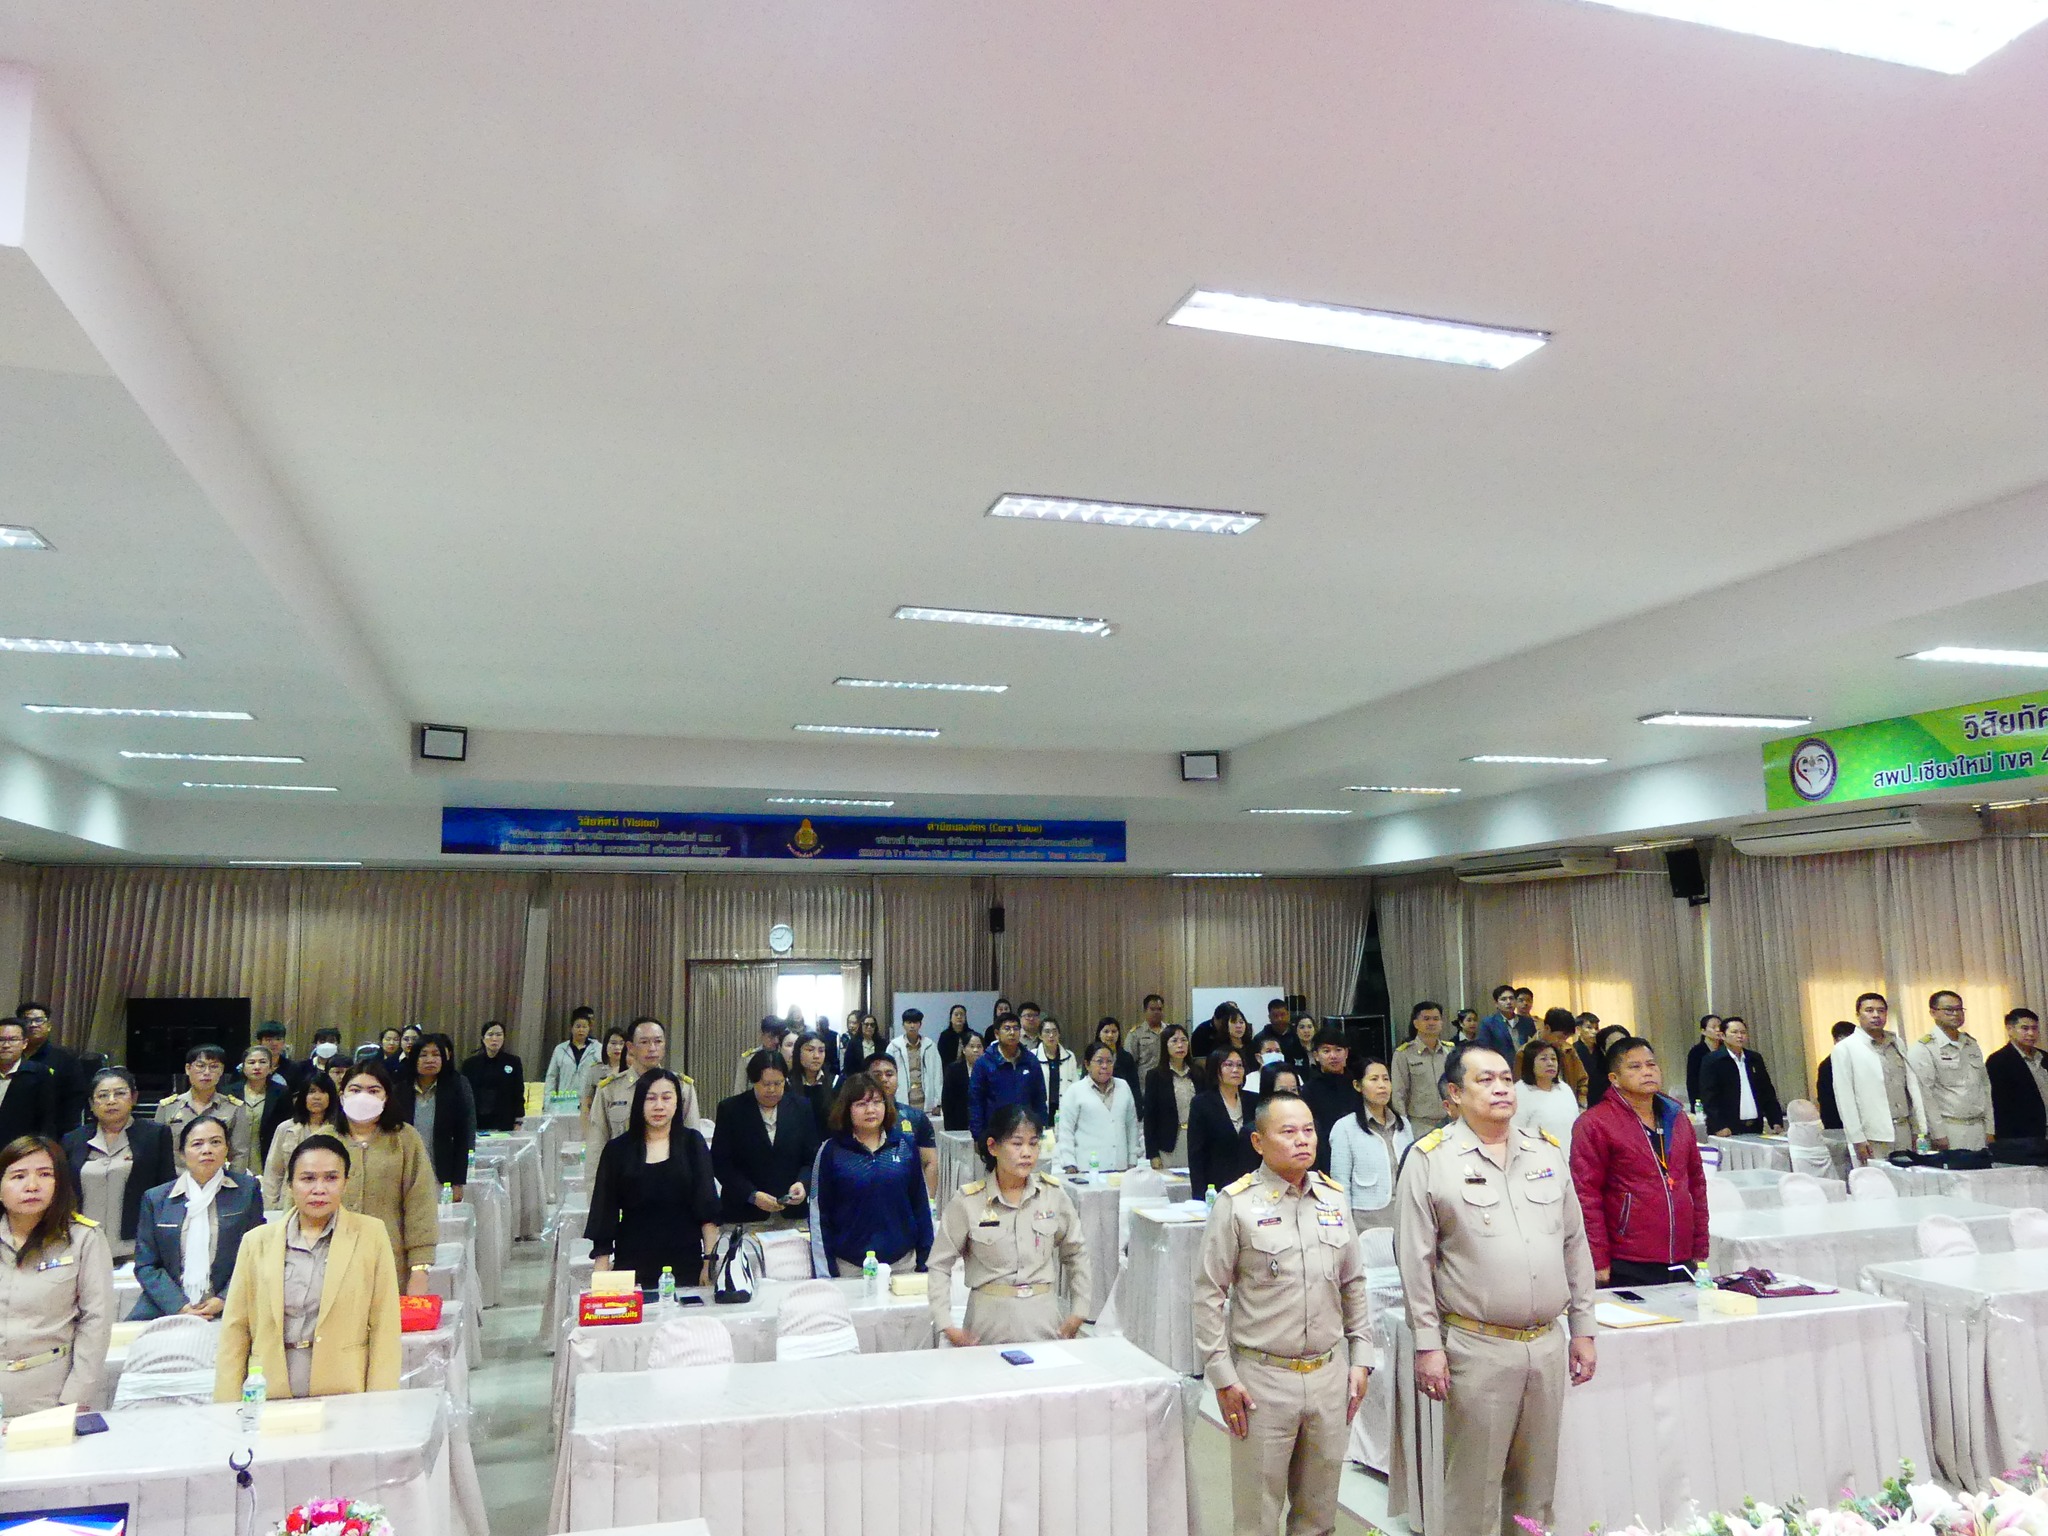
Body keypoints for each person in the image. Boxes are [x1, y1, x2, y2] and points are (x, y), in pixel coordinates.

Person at [1396, 1047, 1598, 1536]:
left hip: (1545, 1344)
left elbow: (1574, 1243)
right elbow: (1415, 1262)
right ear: (1454, 1094)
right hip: (1477, 1346)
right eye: (1485, 1080)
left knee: (1536, 1491)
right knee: (1473, 1489)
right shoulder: (1430, 1159)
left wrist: (1584, 1327)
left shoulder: (1545, 1151)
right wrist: (1427, 1345)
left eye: (1506, 1078)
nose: (1501, 1088)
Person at [1194, 1092, 1371, 1536]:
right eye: (1288, 1131)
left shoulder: (1333, 1198)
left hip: (1328, 1375)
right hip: (1263, 1381)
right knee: (1257, 1517)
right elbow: (1208, 1294)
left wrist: (1362, 1357)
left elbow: (1353, 1282)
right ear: (1258, 1142)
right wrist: (1222, 1376)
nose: (1302, 1140)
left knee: (1319, 1516)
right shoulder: (1236, 1204)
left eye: (1308, 1130)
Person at [213, 1135, 402, 1401]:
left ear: (346, 1182)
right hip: (269, 1392)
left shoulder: (371, 1235)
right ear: (290, 1184)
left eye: (331, 1178)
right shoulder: (256, 1242)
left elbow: (385, 1326)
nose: (319, 1189)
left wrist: (380, 1403)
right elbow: (235, 1330)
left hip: (345, 1393)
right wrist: (226, 1406)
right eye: (308, 1178)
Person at [927, 1105, 1087, 1346]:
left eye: (1033, 1143)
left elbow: (1076, 1252)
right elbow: (939, 1264)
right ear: (993, 1147)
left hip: (1043, 1320)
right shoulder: (969, 1201)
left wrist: (1079, 1311)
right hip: (987, 1324)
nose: (1027, 1153)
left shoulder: (1052, 1195)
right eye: (1017, 1143)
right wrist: (946, 1324)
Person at [1570, 1037, 1708, 1286]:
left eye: (1651, 1064)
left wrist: (1700, 1246)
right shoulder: (1595, 1123)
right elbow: (1586, 1196)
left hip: (1682, 1254)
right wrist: (1598, 1259)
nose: (1647, 1072)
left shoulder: (1677, 1118)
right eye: (1635, 1067)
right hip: (1628, 1259)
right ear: (1614, 1078)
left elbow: (1697, 1184)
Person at [0, 1134, 114, 1419]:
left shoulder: (83, 1239)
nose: (32, 1186)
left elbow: (96, 1322)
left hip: (50, 1394)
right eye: (18, 1176)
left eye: (45, 1174)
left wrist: (74, 1400)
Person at [586, 1069, 720, 1290]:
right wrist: (600, 1271)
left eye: (666, 1098)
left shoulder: (692, 1144)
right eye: (650, 1098)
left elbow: (707, 1208)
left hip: (686, 1259)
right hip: (633, 1260)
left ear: (677, 1103)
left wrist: (709, 1261)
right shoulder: (617, 1150)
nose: (659, 1106)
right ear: (639, 1103)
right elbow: (604, 1214)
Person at [129, 1116, 265, 1321]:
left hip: (233, 1303)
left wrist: (223, 1299)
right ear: (182, 1154)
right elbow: (146, 1265)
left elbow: (258, 1254)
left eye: (216, 1142)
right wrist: (179, 1306)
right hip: (167, 1306)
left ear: (227, 1149)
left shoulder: (247, 1191)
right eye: (197, 1144)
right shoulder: (156, 1199)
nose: (207, 1150)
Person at [809, 1071, 933, 1277]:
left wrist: (925, 1260)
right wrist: (826, 1273)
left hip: (903, 1263)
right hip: (850, 1266)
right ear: (847, 1108)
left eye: (877, 1102)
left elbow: (921, 1205)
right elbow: (819, 1215)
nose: (871, 1110)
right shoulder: (831, 1152)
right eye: (861, 1104)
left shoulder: (905, 1145)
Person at [334, 1061, 438, 1296]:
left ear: (386, 1097)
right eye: (355, 1090)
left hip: (390, 1259)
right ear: (341, 1096)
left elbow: (421, 1204)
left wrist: (420, 1268)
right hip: (330, 1260)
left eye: (373, 1091)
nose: (363, 1097)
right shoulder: (324, 1140)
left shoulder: (405, 1139)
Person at [62, 1068, 176, 1262]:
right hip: (81, 1247)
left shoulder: (155, 1135)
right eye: (102, 1096)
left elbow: (167, 1190)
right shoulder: (73, 1140)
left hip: (135, 1247)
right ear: (91, 1104)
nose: (111, 1101)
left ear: (134, 1097)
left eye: (120, 1093)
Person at [711, 1051, 821, 1225]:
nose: (772, 1090)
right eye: (766, 1084)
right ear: (754, 1081)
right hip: (744, 1212)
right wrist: (751, 1195)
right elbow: (721, 1164)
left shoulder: (801, 1107)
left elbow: (812, 1158)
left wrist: (803, 1184)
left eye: (778, 1083)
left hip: (791, 1212)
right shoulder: (731, 1109)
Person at [1833, 992, 1928, 1165]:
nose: (1876, 1015)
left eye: (1881, 1011)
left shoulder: (1896, 1042)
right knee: (1875, 1179)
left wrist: (1918, 1128)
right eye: (1869, 1010)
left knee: (1908, 1179)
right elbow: (1844, 1097)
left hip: (1903, 1129)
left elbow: (1909, 1087)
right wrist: (1857, 1138)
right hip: (1872, 1135)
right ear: (1858, 1014)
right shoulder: (1846, 1048)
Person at [1330, 1059, 1412, 1231]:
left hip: (1404, 1213)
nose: (1382, 1085)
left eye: (1386, 1079)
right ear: (1357, 1085)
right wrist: (1346, 1226)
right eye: (1374, 1079)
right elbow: (1341, 1183)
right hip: (1366, 1218)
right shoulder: (1345, 1127)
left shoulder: (1403, 1124)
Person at [591, 1017, 701, 1143]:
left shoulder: (682, 1087)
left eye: (658, 1041)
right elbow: (597, 1142)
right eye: (644, 1042)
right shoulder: (610, 1089)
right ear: (630, 1047)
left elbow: (693, 1140)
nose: (652, 1048)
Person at [1908, 990, 1993, 1151]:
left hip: (1978, 1126)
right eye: (1949, 1010)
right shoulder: (1924, 1048)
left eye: (1959, 1009)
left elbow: (1985, 1087)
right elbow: (1925, 1096)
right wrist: (1938, 1134)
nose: (1955, 1014)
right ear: (1933, 1012)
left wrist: (1990, 1128)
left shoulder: (1971, 1044)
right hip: (1949, 1128)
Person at [157, 1045, 252, 1174]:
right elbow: (157, 1151)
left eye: (214, 1067)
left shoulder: (234, 1108)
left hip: (218, 1180)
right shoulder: (168, 1107)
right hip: (176, 1180)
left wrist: (233, 1183)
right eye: (200, 1066)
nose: (207, 1072)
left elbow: (240, 1154)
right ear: (188, 1069)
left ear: (221, 1070)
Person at [408, 1034, 477, 1197]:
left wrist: (458, 1182)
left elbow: (462, 1137)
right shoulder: (399, 1088)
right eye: (423, 1055)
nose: (430, 1060)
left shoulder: (455, 1088)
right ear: (414, 1058)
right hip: (406, 1175)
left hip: (441, 1176)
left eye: (436, 1054)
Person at [1058, 1041, 1142, 1172]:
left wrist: (1132, 1160)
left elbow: (1131, 1126)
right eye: (1099, 1061)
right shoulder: (1075, 1091)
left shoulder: (1123, 1087)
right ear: (1087, 1064)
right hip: (1087, 1168)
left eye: (1109, 1061)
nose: (1105, 1066)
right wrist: (1069, 1163)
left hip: (1120, 1167)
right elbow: (1065, 1130)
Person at [1188, 1047, 1260, 1199]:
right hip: (1217, 1183)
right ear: (1215, 1069)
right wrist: (1199, 1195)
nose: (1235, 1070)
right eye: (1228, 1065)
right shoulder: (1202, 1103)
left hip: (1251, 1183)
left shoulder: (1254, 1101)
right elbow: (1196, 1154)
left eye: (1239, 1065)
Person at [262, 1072, 343, 1207]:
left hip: (329, 1199)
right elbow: (274, 1171)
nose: (317, 1097)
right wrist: (271, 1206)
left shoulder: (341, 1130)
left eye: (323, 1092)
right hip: (290, 1201)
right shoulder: (286, 1128)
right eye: (311, 1092)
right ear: (303, 1097)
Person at [864, 1054, 938, 1197]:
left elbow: (929, 1162)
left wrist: (930, 1201)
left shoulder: (915, 1117)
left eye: (889, 1074)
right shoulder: (859, 1117)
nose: (884, 1079)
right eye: (877, 1075)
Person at [968, 1013, 1047, 1145]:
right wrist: (978, 1135)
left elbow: (1039, 1098)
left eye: (1016, 1028)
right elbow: (976, 1102)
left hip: (1026, 1133)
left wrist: (1041, 1129)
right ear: (997, 1034)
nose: (1012, 1033)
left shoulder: (1031, 1061)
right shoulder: (984, 1063)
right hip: (995, 1133)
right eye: (1007, 1028)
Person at [1701, 1017, 1785, 1137]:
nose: (1740, 1036)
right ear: (1723, 1036)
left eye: (1743, 1032)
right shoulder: (1713, 1060)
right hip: (1727, 1128)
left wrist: (1776, 1121)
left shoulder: (1754, 1058)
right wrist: (1718, 1126)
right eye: (1734, 1032)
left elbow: (1767, 1092)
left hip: (1755, 1126)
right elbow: (1709, 1097)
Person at [1300, 1027, 1359, 1174]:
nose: (1333, 1056)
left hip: (1359, 1153)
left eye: (1338, 1050)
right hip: (1325, 1157)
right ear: (1316, 1056)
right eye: (1326, 1051)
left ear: (1346, 1053)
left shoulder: (1358, 1085)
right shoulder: (1308, 1090)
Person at [1988, 1007, 2048, 1151]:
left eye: (2034, 1028)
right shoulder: (1998, 1061)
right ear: (2010, 1029)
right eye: (2025, 1028)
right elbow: (1998, 1104)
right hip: (2021, 1137)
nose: (2031, 1033)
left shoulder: (2044, 1057)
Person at [1142, 1024, 1200, 1171]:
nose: (1180, 1045)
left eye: (1184, 1040)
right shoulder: (1155, 1076)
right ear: (1165, 1045)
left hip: (1196, 1140)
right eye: (1174, 1041)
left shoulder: (1199, 1073)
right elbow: (1150, 1118)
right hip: (1169, 1144)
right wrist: (1153, 1154)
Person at [19, 1003, 84, 1133]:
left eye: (39, 1020)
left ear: (49, 1026)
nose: (33, 1025)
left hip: (54, 1128)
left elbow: (76, 1098)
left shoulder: (65, 1057)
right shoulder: (11, 1056)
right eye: (27, 1021)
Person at [1391, 1003, 1454, 1132]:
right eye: (1426, 1019)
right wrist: (1403, 1126)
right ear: (1416, 1023)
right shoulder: (1404, 1054)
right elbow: (1398, 1094)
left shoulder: (1450, 1051)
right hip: (1419, 1124)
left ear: (1441, 1023)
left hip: (1450, 1121)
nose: (1431, 1023)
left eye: (1436, 1019)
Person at [1513, 1039, 1582, 1157]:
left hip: (1569, 1158)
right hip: (1535, 1159)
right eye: (1543, 1059)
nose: (1550, 1063)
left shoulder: (1564, 1088)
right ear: (1530, 1063)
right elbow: (1514, 1133)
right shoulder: (1519, 1092)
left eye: (1553, 1059)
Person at [460, 1022, 525, 1134]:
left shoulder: (513, 1062)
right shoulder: (470, 1064)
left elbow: (518, 1091)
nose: (494, 1038)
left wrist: (518, 1120)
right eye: (490, 1035)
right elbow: (464, 1095)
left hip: (504, 1120)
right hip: (477, 1120)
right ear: (483, 1039)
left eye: (499, 1035)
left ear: (504, 1038)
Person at [233, 1044, 291, 1164]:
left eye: (262, 1062)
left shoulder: (281, 1093)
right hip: (234, 1157)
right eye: (251, 1062)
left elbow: (287, 1126)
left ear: (271, 1068)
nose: (257, 1067)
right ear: (243, 1067)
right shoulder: (229, 1092)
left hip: (268, 1156)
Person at [886, 1008, 944, 1121]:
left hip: (925, 1098)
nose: (912, 1026)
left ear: (920, 1024)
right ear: (903, 1025)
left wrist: (938, 1102)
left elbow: (938, 1075)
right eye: (909, 1022)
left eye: (915, 1022)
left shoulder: (930, 1046)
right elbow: (888, 1074)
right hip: (902, 1097)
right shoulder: (894, 1047)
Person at [542, 1008, 598, 1100]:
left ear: (589, 1029)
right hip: (564, 1100)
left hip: (589, 1101)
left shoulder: (598, 1048)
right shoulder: (560, 1049)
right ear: (571, 1028)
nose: (581, 1030)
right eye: (578, 1026)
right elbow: (551, 1077)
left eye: (584, 1027)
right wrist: (548, 1100)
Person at [1536, 1009, 1589, 1106]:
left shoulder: (1569, 1050)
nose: (1562, 1042)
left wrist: (1581, 1100)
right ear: (1547, 1028)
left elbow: (1582, 1079)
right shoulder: (1524, 1053)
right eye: (1560, 1037)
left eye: (1566, 1038)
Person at [788, 1032, 837, 1133]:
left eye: (821, 1051)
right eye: (810, 1050)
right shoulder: (787, 1084)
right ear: (798, 1052)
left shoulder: (836, 1082)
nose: (816, 1056)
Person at [1090, 1018, 1143, 1106]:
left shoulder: (1126, 1057)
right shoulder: (1091, 1055)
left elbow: (1134, 1087)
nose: (1110, 1035)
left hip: (1121, 1103)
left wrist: (1138, 1108)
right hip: (1096, 1102)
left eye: (1114, 1031)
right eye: (1106, 1031)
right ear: (1099, 1034)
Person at [1816, 1020, 1855, 1129]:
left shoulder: (1863, 1060)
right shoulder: (1827, 1066)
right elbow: (1826, 1100)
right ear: (1836, 1040)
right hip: (1837, 1123)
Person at [942, 1032, 983, 1131]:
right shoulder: (953, 1070)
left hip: (982, 1125)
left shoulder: (988, 1069)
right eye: (971, 1046)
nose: (975, 1050)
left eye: (979, 1047)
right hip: (959, 1124)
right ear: (964, 1049)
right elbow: (947, 1102)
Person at [1685, 1015, 1725, 1109]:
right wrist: (1696, 1104)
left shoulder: (1726, 1050)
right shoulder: (1696, 1052)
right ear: (1703, 1031)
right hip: (1705, 1101)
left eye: (1720, 1027)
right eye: (1714, 1027)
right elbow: (1692, 1081)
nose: (1718, 1029)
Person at [1129, 993, 1168, 1085]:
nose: (1156, 1012)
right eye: (1152, 1009)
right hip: (1145, 1082)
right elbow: (1129, 1063)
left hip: (1167, 1080)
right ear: (1145, 1010)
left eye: (1159, 1009)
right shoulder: (1136, 1033)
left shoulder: (1169, 1031)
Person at [1476, 984, 1519, 1063]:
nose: (1509, 1002)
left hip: (1525, 1067)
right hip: (1500, 1065)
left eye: (1511, 998)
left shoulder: (1526, 1021)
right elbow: (1484, 1049)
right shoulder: (1488, 1023)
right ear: (1496, 1003)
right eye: (1503, 999)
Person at [841, 1012, 888, 1077]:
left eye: (872, 1025)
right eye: (866, 1024)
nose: (869, 1027)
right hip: (858, 1078)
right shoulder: (853, 1043)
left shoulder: (882, 1043)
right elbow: (848, 1066)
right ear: (861, 1026)